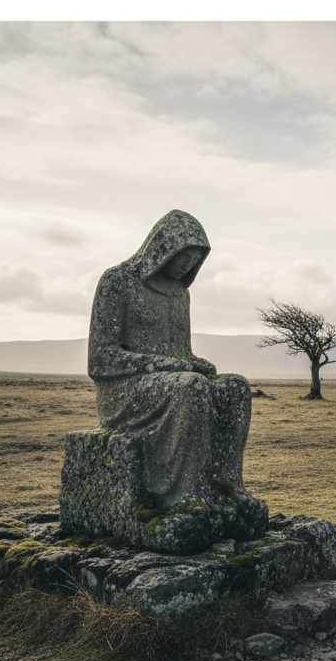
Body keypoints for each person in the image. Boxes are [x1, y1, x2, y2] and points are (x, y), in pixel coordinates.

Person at [87, 209, 256, 512]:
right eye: (184, 257)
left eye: (195, 260)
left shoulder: (181, 294)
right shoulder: (117, 281)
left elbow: (182, 354)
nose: (188, 266)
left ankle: (226, 488)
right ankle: (185, 495)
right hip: (124, 392)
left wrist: (194, 362)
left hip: (169, 382)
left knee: (236, 387)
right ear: (162, 248)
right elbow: (100, 359)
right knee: (192, 387)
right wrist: (165, 364)